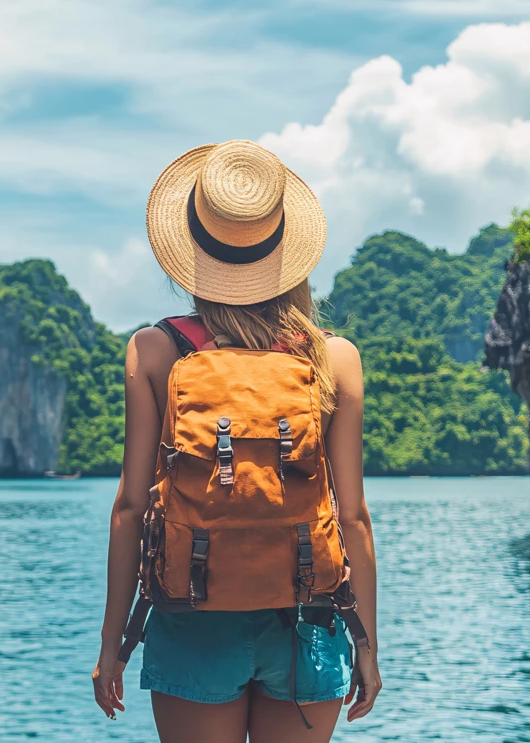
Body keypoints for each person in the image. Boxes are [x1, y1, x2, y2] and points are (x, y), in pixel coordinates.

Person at [92, 140, 380, 742]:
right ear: (288, 253)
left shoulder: (155, 350)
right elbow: (353, 517)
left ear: (192, 253)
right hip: (309, 617)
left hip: (191, 615)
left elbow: (130, 507)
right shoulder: (334, 358)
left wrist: (116, 643)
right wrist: (367, 645)